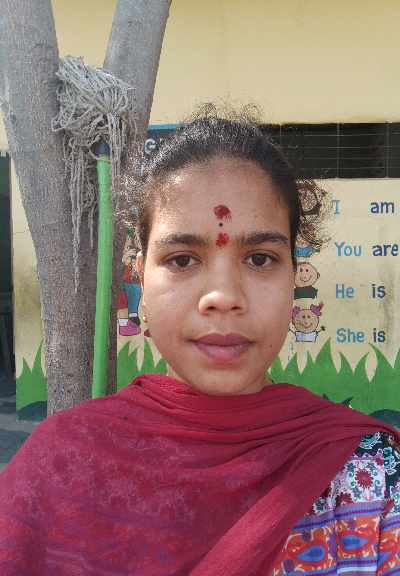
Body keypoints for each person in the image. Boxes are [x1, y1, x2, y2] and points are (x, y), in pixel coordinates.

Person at [0, 109, 399, 575]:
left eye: (260, 258)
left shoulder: (370, 474)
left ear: (295, 276)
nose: (223, 297)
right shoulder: (60, 463)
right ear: (140, 279)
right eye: (183, 259)